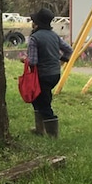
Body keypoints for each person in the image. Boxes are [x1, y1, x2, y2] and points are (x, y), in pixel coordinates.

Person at [25, 8, 72, 137]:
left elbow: (33, 61)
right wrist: (62, 59)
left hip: (42, 75)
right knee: (40, 99)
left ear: (37, 23)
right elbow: (69, 49)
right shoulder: (54, 36)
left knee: (43, 104)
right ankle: (40, 129)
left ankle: (52, 135)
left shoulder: (34, 38)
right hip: (55, 74)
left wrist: (25, 60)